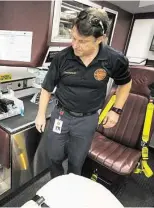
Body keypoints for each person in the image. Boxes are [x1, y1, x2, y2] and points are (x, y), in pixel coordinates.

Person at [35, 8, 132, 178]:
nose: (75, 45)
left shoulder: (114, 59)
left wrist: (116, 110)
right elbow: (47, 88)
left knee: (76, 160)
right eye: (73, 38)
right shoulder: (62, 58)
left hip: (88, 119)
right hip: (61, 115)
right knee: (54, 157)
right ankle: (56, 185)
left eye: (83, 41)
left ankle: (74, 189)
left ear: (100, 39)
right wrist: (41, 114)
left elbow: (125, 84)